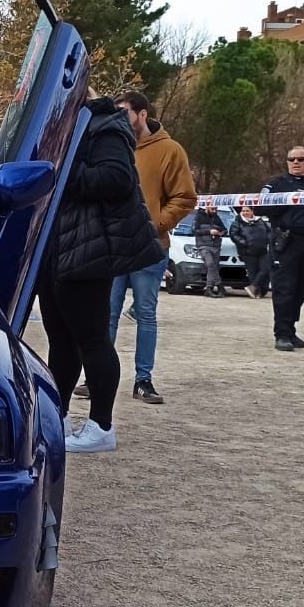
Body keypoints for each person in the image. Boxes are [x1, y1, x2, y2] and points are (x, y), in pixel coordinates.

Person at [39, 96, 165, 453]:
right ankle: (60, 416)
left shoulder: (105, 127)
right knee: (61, 340)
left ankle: (101, 426)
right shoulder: (65, 128)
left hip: (90, 249)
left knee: (92, 339)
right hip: (59, 247)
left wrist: (62, 172)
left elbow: (117, 179)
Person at [104, 91, 196, 405]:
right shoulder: (112, 146)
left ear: (142, 114)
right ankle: (99, 377)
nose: (119, 119)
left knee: (146, 314)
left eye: (125, 112)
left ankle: (143, 380)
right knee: (107, 315)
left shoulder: (170, 150)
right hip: (113, 247)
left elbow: (185, 197)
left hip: (149, 246)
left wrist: (154, 224)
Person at [259, 146, 304, 351]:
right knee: (284, 289)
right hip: (286, 242)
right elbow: (259, 207)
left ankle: (290, 331)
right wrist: (289, 200)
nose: (295, 162)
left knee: (300, 290)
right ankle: (281, 334)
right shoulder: (276, 184)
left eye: (300, 159)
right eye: (291, 159)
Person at [233, 204, 272, 297]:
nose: (245, 213)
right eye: (243, 211)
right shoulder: (237, 222)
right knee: (253, 272)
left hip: (263, 250)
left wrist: (267, 239)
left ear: (252, 211)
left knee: (266, 269)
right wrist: (245, 243)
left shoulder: (260, 221)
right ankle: (257, 292)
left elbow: (269, 231)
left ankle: (254, 287)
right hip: (248, 252)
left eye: (247, 211)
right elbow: (234, 235)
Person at [192, 205, 227, 296]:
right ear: (207, 207)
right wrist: (209, 232)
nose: (214, 211)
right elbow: (194, 231)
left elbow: (225, 229)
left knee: (213, 267)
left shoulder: (217, 217)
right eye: (213, 209)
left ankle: (210, 288)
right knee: (210, 264)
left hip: (216, 246)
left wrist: (221, 233)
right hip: (204, 245)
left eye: (216, 209)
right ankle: (218, 286)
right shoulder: (199, 217)